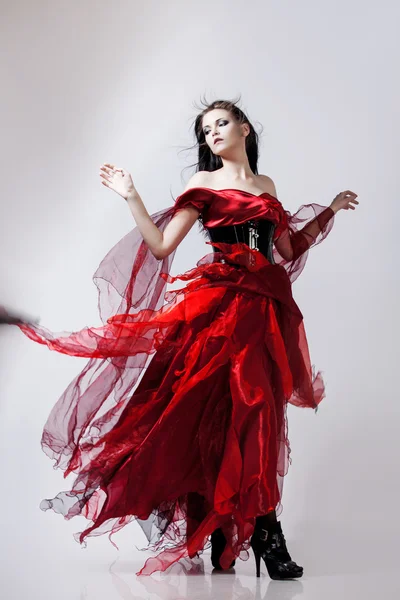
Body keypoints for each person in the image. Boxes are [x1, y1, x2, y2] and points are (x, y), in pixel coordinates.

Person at [14, 99, 359, 579]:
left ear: (244, 128)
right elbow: (161, 247)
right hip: (220, 312)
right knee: (216, 415)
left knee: (257, 414)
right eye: (206, 129)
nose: (213, 132)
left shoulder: (267, 187)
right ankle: (253, 529)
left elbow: (286, 249)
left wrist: (330, 212)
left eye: (221, 123)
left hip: (263, 311)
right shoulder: (203, 185)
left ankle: (248, 528)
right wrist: (131, 194)